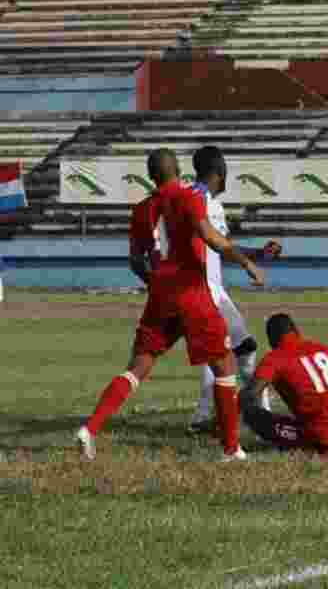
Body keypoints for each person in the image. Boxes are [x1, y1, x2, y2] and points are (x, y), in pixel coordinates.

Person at [75, 148, 265, 461]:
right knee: (224, 364)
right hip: (192, 291)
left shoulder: (141, 209)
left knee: (138, 366)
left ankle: (89, 429)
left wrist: (156, 284)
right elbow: (211, 238)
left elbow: (136, 261)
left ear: (151, 176)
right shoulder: (188, 196)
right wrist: (247, 263)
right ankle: (231, 449)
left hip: (161, 294)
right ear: (178, 168)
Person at [185, 146, 283, 434]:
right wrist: (248, 265)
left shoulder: (213, 204)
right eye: (225, 170)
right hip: (201, 288)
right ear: (218, 172)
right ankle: (222, 414)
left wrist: (258, 254)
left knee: (236, 348)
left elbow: (224, 245)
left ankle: (223, 413)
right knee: (221, 350)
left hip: (215, 289)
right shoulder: (194, 199)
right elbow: (213, 243)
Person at [238, 313, 328, 455]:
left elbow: (251, 394)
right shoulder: (324, 350)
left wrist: (224, 415)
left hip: (319, 438)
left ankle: (229, 438)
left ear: (271, 340)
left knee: (253, 415)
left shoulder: (274, 358)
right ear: (296, 331)